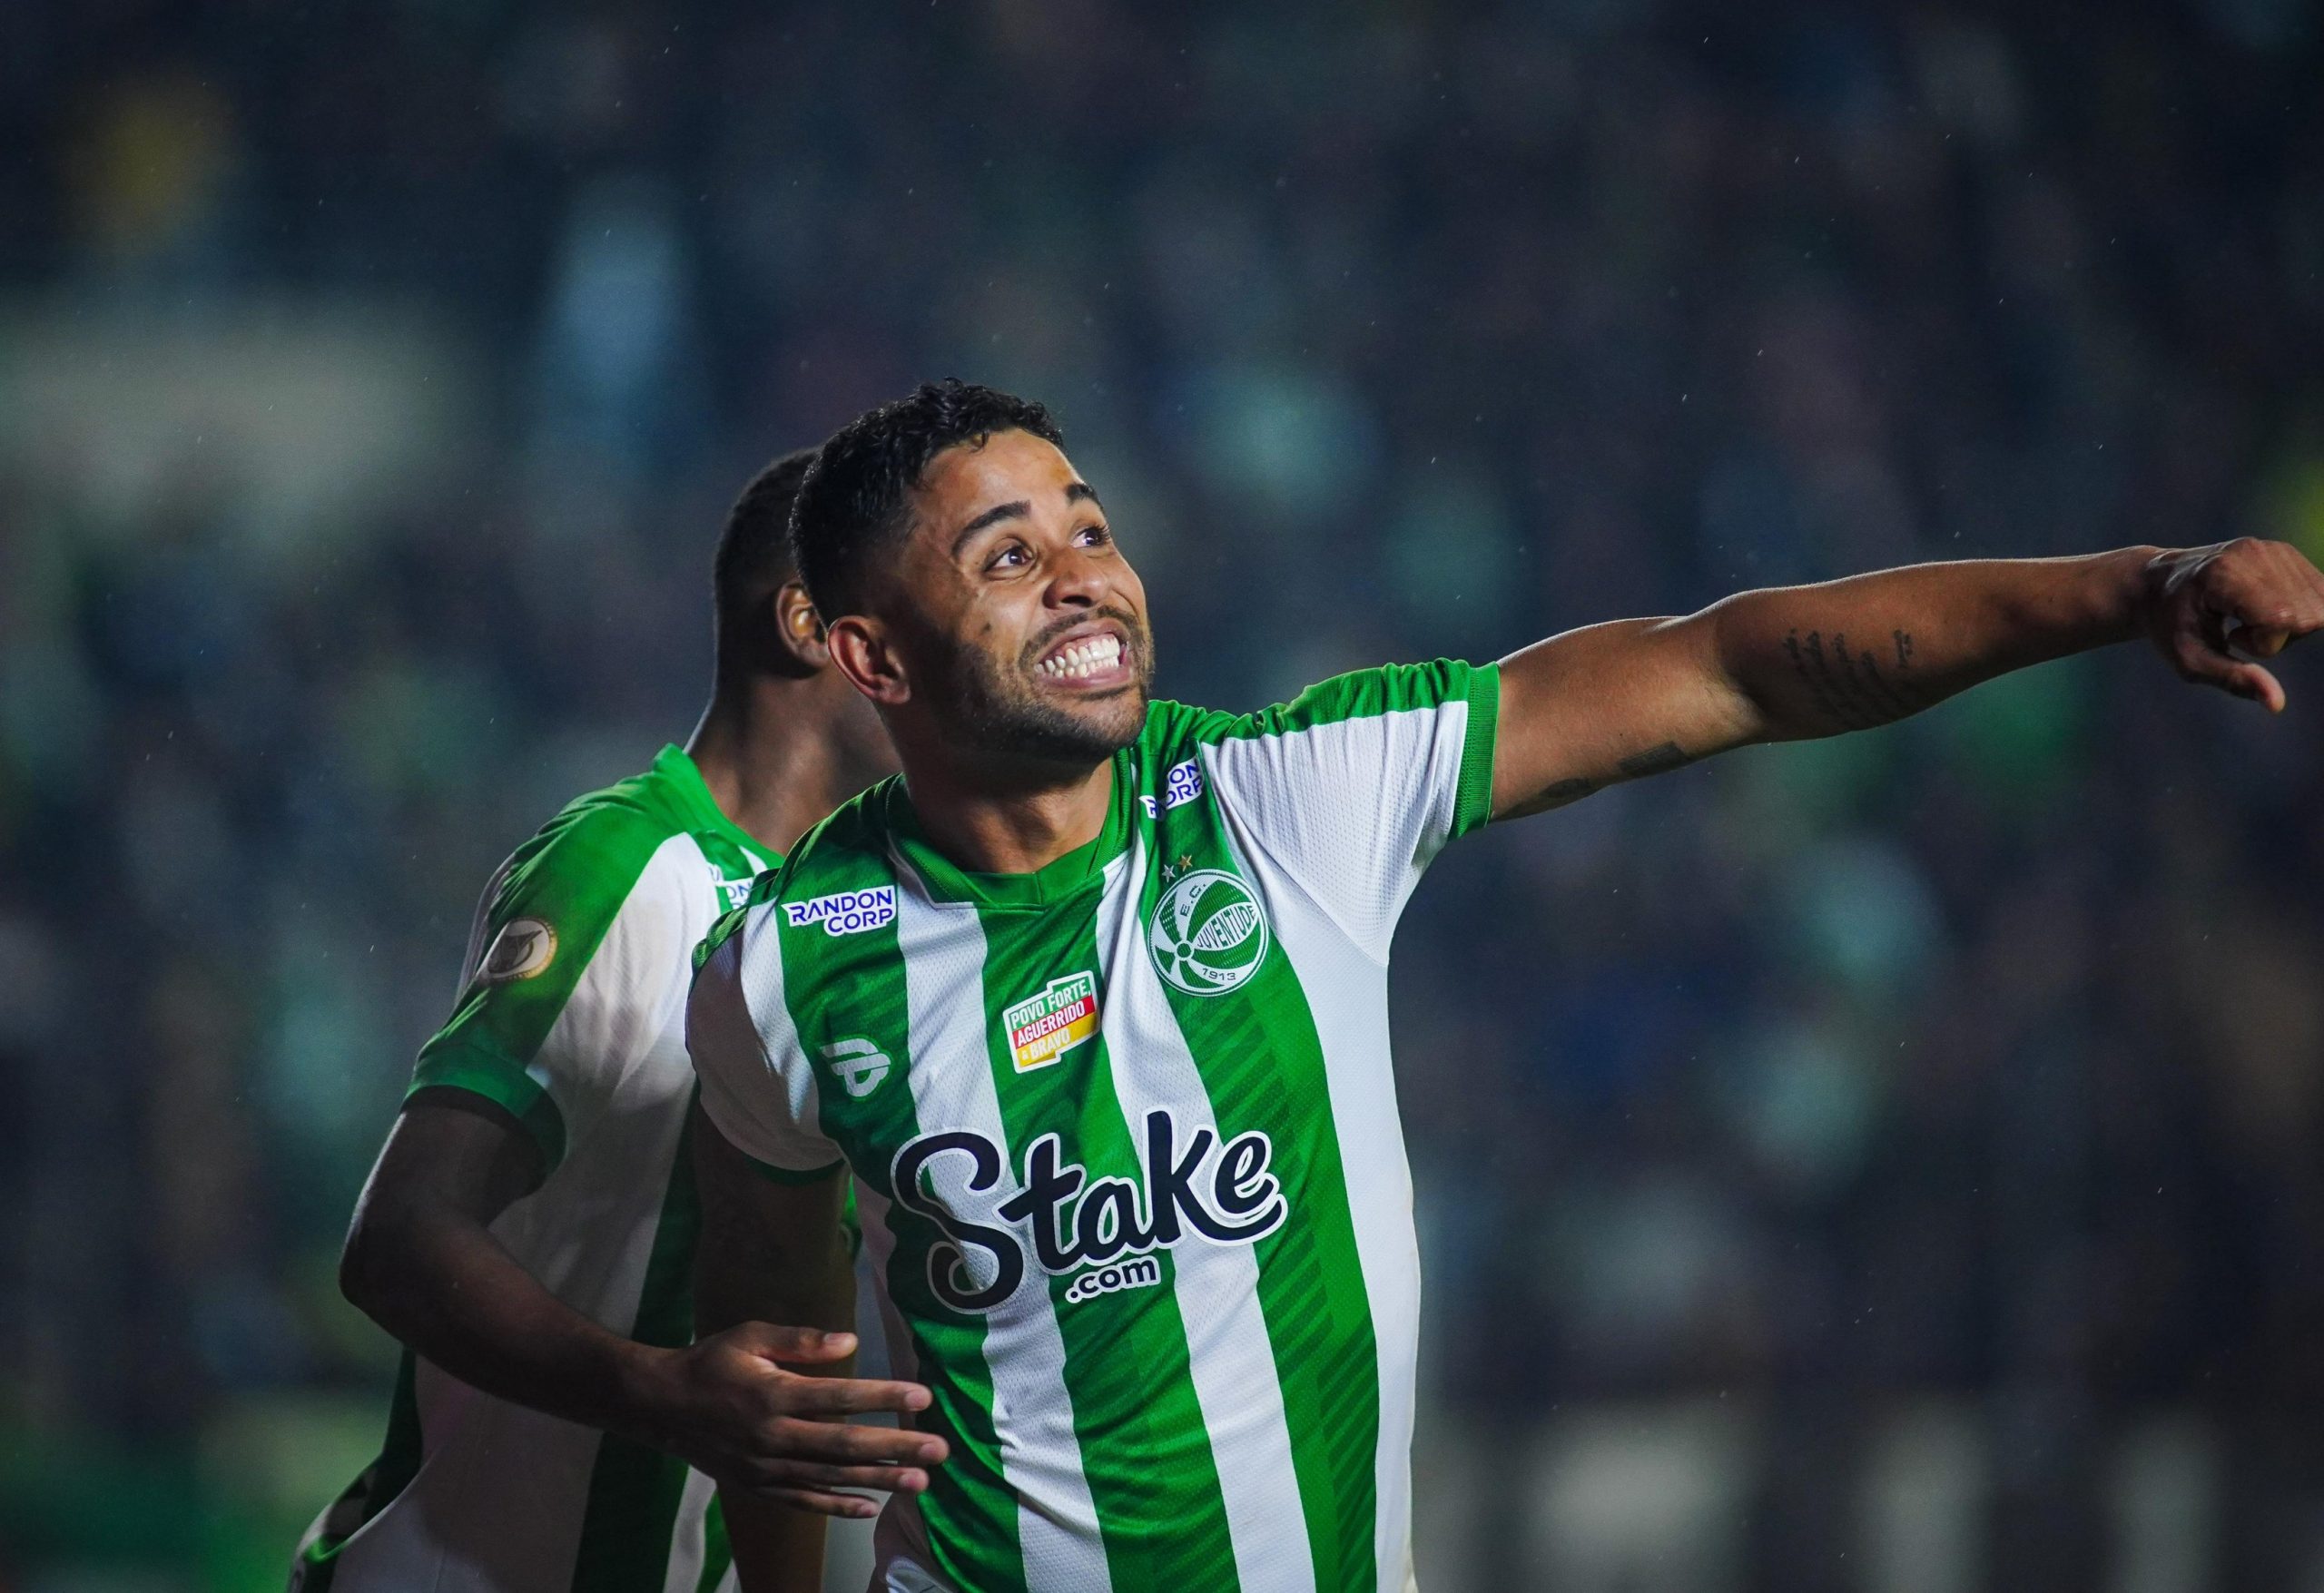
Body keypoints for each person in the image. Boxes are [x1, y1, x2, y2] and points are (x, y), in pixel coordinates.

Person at [683, 381, 2324, 1593]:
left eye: (1091, 530)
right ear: (875, 659)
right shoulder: (781, 972)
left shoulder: (1285, 801)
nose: (1085, 578)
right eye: (1007, 556)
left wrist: (2136, 585)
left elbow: (1727, 665)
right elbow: (776, 1369)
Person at [295, 451, 945, 1593]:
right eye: (922, 620)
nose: (955, 668)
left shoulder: (836, 927)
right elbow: (398, 1238)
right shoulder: (630, 868)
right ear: (807, 626)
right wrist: (663, 1393)